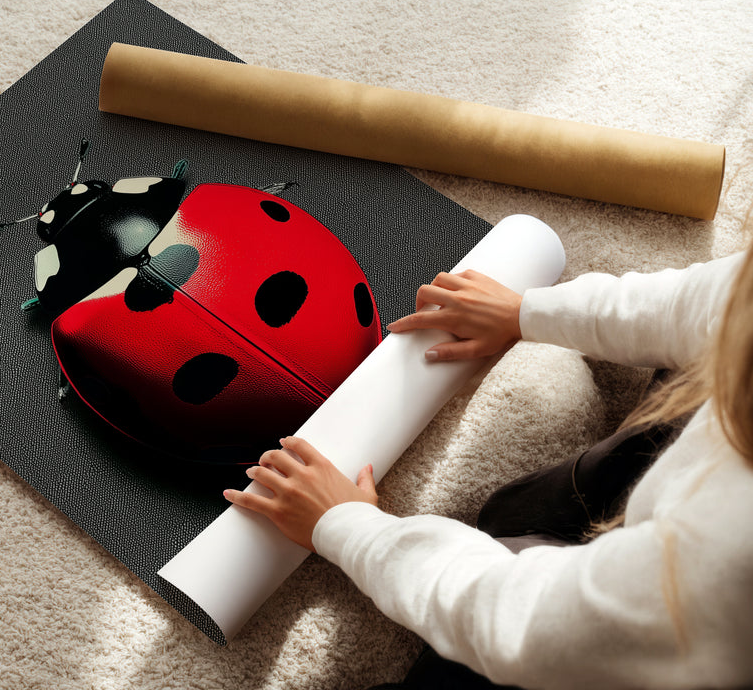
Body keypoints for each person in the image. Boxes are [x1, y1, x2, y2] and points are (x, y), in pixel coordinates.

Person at [224, 245, 753, 689]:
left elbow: (523, 623)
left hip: (681, 641)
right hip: (683, 528)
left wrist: (347, 526)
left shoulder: (728, 559)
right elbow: (713, 301)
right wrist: (526, 311)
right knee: (515, 514)